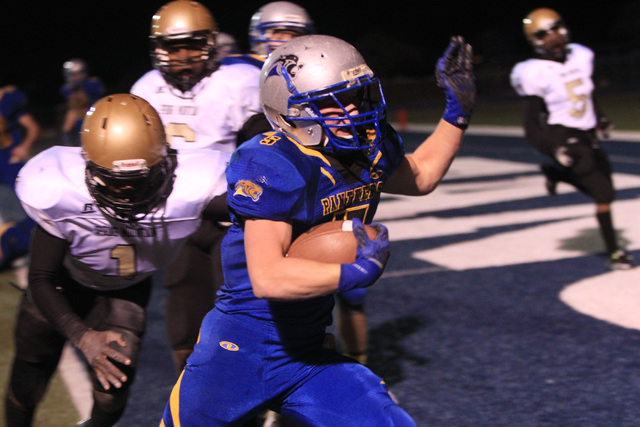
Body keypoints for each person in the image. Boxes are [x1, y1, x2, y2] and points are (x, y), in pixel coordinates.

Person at [160, 34, 475, 426]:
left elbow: (422, 175)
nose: (349, 113)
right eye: (330, 103)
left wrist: (456, 114)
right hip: (239, 349)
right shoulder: (273, 162)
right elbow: (269, 277)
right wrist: (352, 272)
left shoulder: (365, 149)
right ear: (289, 111)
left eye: (355, 96)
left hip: (306, 352)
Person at [4, 93, 229, 427]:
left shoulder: (192, 185)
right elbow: (41, 278)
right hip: (64, 284)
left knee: (113, 394)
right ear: (88, 167)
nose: (129, 194)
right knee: (30, 374)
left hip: (126, 290)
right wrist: (82, 335)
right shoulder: (60, 188)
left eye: (141, 180)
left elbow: (268, 207)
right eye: (116, 183)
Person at [130, 0, 264, 375]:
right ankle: (196, 402)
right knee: (185, 325)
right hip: (179, 221)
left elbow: (265, 154)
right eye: (174, 47)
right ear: (159, 49)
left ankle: (256, 403)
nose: (184, 55)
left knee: (242, 318)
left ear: (210, 42)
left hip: (232, 217)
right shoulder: (146, 90)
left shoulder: (238, 84)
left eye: (192, 44)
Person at [510, 8, 633, 270]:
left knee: (606, 193)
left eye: (554, 29)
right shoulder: (534, 72)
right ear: (535, 40)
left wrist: (600, 119)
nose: (552, 37)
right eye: (543, 33)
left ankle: (557, 174)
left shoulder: (581, 55)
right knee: (604, 191)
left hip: (587, 132)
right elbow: (530, 125)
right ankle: (614, 253)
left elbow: (588, 94)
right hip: (563, 134)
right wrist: (552, 148)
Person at [0, 84, 40, 272]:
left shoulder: (8, 98)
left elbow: (32, 127)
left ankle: (22, 249)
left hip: (9, 159)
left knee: (26, 209)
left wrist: (24, 147)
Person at [60, 58, 106, 146]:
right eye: (73, 75)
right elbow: (74, 110)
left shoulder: (92, 84)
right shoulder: (67, 89)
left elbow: (85, 102)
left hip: (97, 124)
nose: (76, 77)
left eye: (78, 74)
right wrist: (66, 131)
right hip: (81, 127)